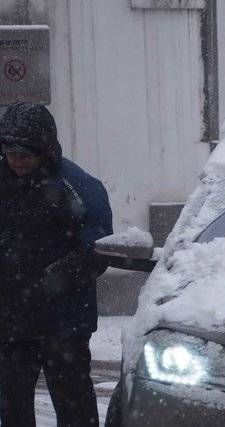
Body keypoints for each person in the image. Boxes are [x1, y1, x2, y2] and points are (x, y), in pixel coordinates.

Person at [0, 102, 112, 427]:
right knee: (13, 409)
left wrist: (54, 281)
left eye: (26, 154)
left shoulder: (78, 187)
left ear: (45, 150)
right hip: (11, 322)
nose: (18, 161)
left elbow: (98, 249)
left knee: (74, 405)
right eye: (10, 152)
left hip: (65, 322)